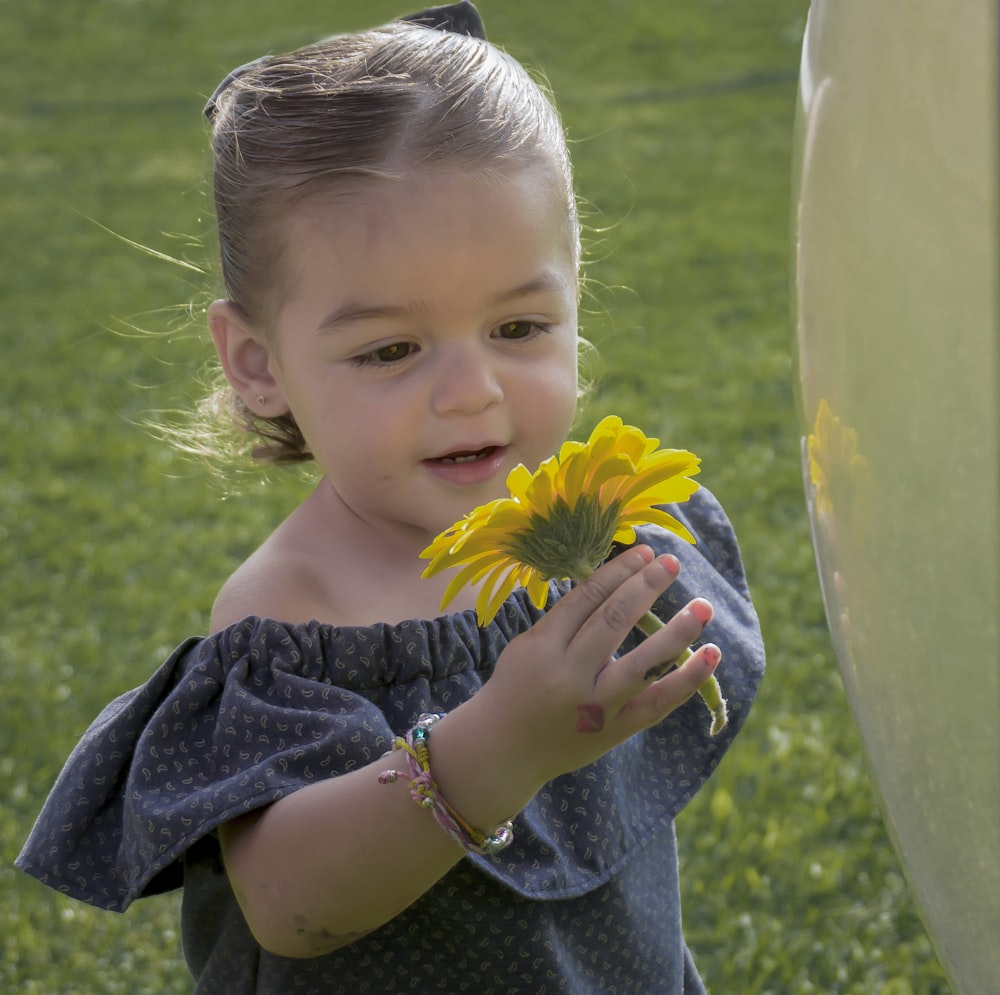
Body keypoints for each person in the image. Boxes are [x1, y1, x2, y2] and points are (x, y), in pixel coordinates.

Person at [17, 3, 765, 992]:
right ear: (259, 361)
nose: (470, 392)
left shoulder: (604, 526)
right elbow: (292, 905)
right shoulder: (292, 612)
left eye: (519, 325)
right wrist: (495, 745)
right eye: (389, 349)